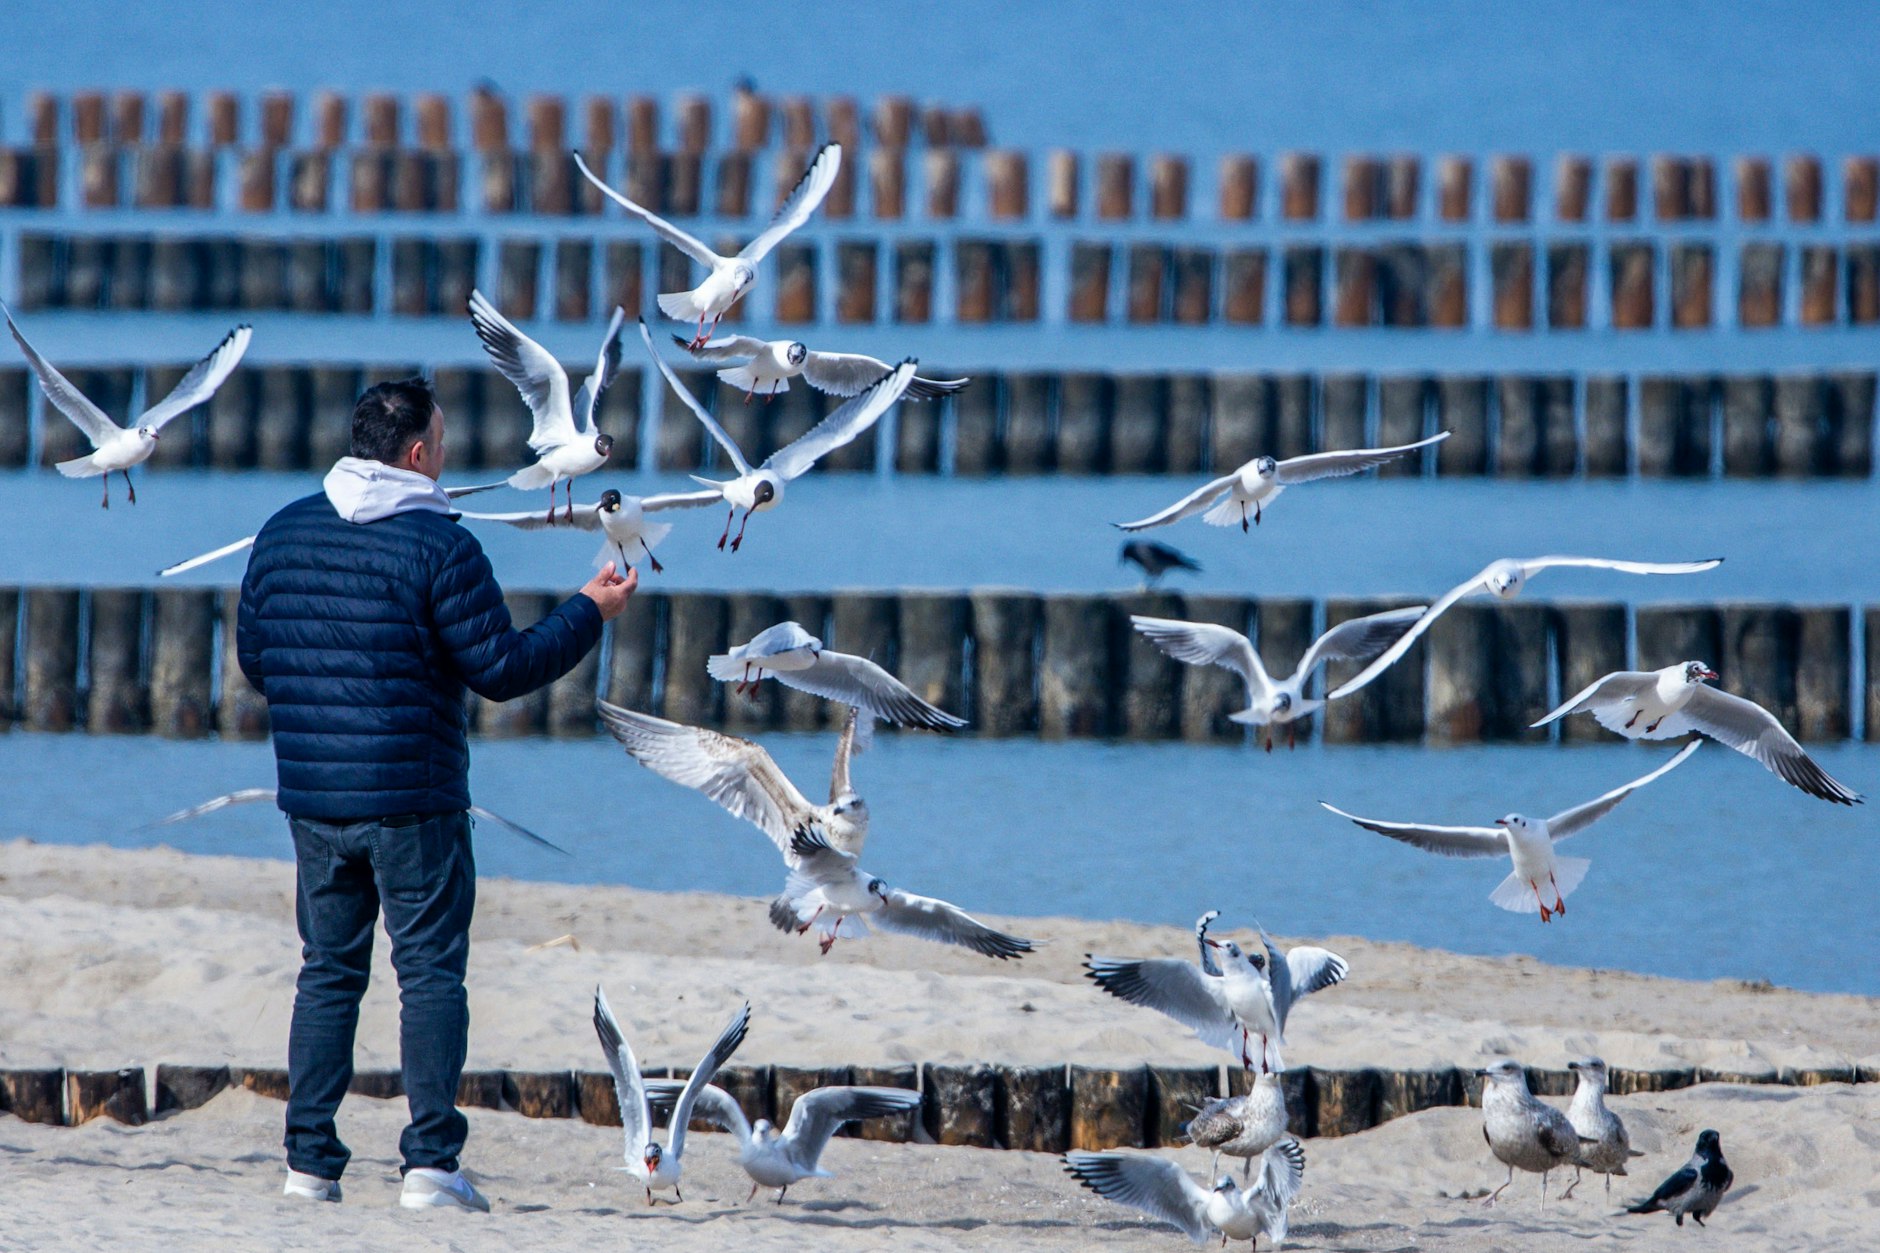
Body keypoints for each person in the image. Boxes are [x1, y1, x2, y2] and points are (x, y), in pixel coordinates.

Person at [236, 377, 634, 1212]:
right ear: (417, 454)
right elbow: (502, 669)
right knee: (428, 974)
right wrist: (588, 610)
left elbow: (257, 663)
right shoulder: (440, 544)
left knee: (327, 973)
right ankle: (429, 1166)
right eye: (443, 443)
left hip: (314, 797)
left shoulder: (282, 531)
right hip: (414, 798)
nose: (447, 457)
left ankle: (309, 1165)